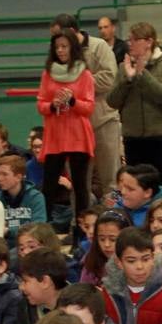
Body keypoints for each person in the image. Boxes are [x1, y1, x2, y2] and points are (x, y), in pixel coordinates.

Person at [51, 14, 119, 204]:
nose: (57, 44)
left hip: (103, 121)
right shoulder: (58, 57)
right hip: (74, 128)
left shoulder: (99, 47)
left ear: (72, 32)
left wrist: (78, 84)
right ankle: (79, 223)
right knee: (79, 183)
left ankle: (112, 222)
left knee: (110, 181)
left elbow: (109, 78)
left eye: (59, 37)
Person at [107, 22, 162, 190]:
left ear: (148, 41)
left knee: (159, 186)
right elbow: (112, 101)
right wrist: (128, 79)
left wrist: (142, 74)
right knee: (135, 186)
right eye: (128, 40)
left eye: (134, 40)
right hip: (133, 138)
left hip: (159, 137)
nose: (129, 44)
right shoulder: (123, 67)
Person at [36, 30, 96, 223]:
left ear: (73, 48)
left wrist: (71, 101)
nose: (60, 50)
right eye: (57, 47)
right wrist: (53, 105)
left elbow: (88, 107)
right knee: (49, 186)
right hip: (55, 135)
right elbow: (41, 104)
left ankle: (80, 231)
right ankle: (44, 229)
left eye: (64, 46)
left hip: (78, 134)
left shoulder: (85, 74)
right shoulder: (47, 73)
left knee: (80, 187)